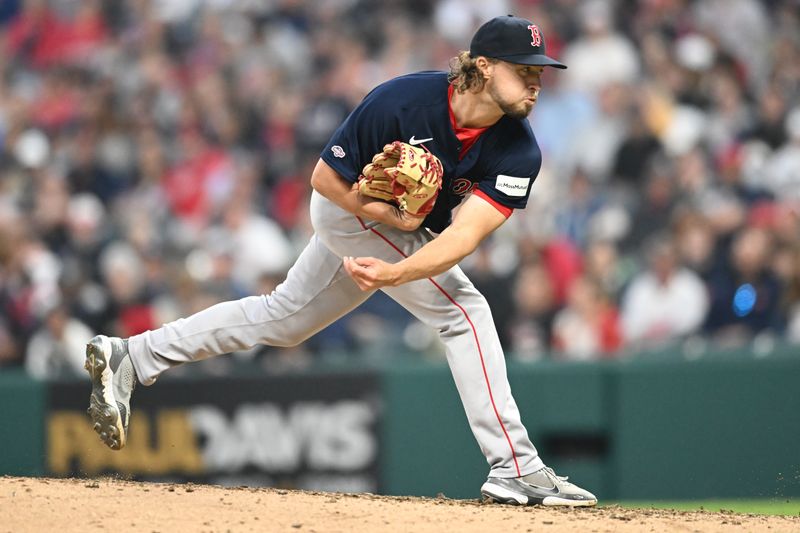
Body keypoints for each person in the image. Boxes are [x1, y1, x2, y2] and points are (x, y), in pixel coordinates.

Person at [84, 15, 597, 507]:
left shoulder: (519, 149)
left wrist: (395, 269)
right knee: (463, 312)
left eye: (540, 72)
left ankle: (133, 356)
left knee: (282, 320)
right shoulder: (401, 100)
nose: (536, 82)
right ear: (483, 66)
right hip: (343, 209)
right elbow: (324, 180)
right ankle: (514, 466)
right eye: (524, 69)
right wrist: (379, 214)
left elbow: (464, 236)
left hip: (396, 230)